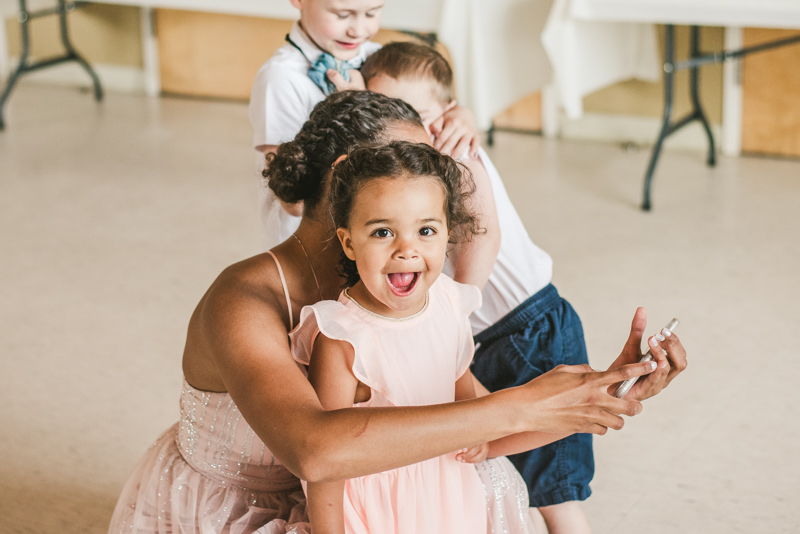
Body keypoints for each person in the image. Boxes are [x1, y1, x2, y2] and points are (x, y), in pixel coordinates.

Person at [108, 91, 686, 534]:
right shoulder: (243, 298)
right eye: (410, 159)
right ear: (344, 178)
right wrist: (527, 399)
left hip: (372, 500)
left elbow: (477, 426)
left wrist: (600, 392)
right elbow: (314, 448)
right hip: (239, 507)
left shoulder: (406, 292)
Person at [360, 42, 597, 532]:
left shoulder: (457, 155)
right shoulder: (414, 168)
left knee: (554, 490)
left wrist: (445, 326)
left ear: (446, 118)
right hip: (488, 335)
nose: (396, 135)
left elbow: (474, 255)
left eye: (414, 116)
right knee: (494, 466)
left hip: (530, 328)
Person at [292, 141, 538, 534]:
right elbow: (327, 462)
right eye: (383, 232)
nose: (407, 249)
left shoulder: (448, 302)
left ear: (447, 236)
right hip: (380, 512)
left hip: (449, 495)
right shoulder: (342, 337)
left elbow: (466, 402)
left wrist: (480, 439)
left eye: (425, 230)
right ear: (349, 242)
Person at [248, 0, 480, 250]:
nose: (358, 30)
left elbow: (425, 107)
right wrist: (356, 106)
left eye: (372, 13)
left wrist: (459, 113)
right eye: (342, 14)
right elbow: (290, 199)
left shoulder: (377, 55)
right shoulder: (281, 78)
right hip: (315, 245)